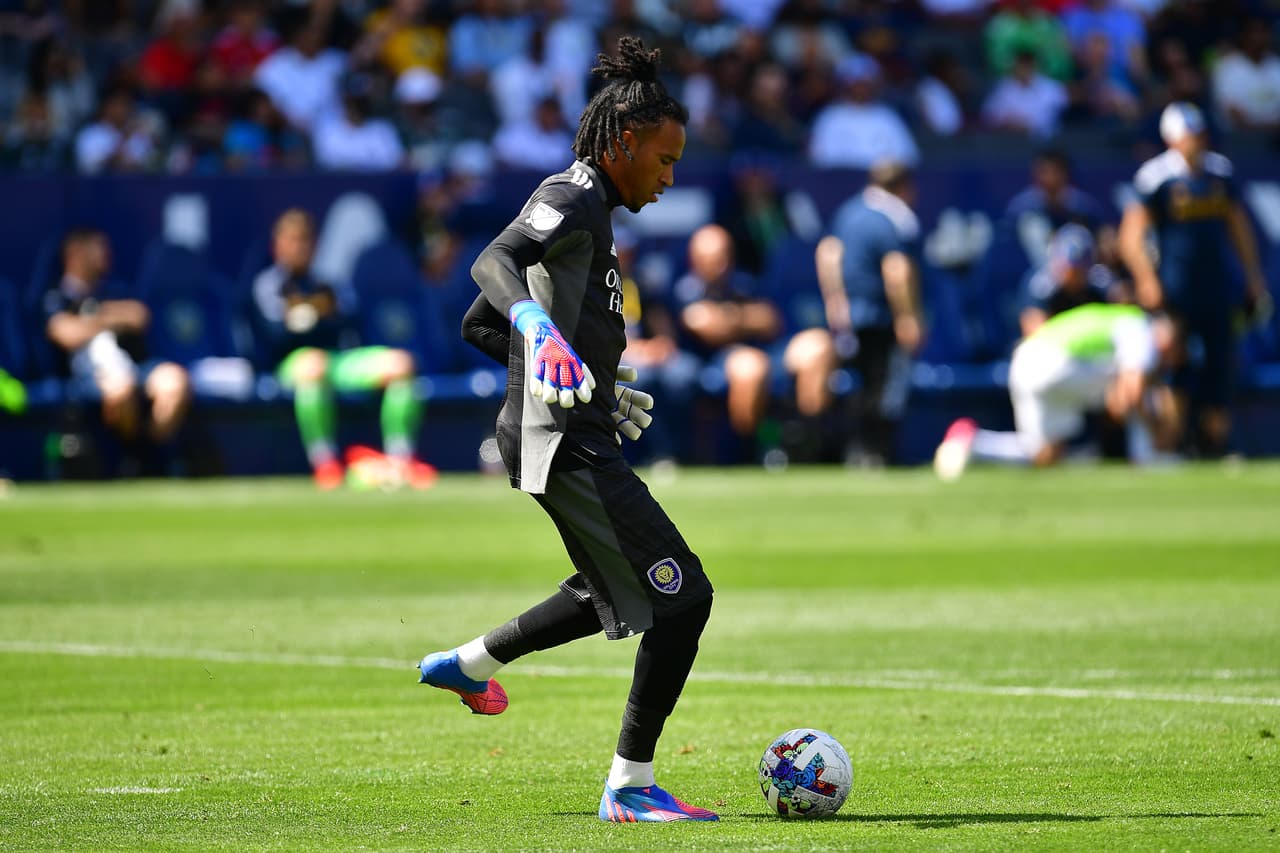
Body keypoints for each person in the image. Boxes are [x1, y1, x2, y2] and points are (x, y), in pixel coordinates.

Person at [419, 36, 718, 824]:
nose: (669, 175)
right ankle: (629, 784)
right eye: (663, 159)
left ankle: (467, 663)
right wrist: (542, 336)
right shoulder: (573, 191)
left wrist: (591, 377)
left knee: (610, 586)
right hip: (562, 441)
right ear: (623, 143)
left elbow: (477, 327)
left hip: (573, 426)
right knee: (682, 596)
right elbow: (494, 267)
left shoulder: (598, 214)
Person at [1118, 102, 1271, 457]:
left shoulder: (1219, 172)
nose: (1195, 142)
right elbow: (1131, 235)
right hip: (1175, 287)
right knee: (1175, 365)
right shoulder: (1156, 177)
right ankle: (1174, 444)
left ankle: (1215, 444)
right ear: (1172, 139)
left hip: (1215, 285)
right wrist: (1147, 280)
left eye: (1198, 134)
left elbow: (1238, 227)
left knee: (1220, 363)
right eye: (1188, 136)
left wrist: (1252, 274)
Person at [249, 209, 435, 490]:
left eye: (305, 241)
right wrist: (317, 315)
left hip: (337, 361)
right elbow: (275, 335)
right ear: (278, 246)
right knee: (313, 363)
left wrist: (309, 317)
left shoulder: (328, 283)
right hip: (292, 365)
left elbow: (348, 323)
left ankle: (400, 459)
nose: (300, 248)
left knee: (401, 363)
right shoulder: (267, 285)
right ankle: (325, 462)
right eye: (292, 241)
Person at [933, 304, 1180, 479]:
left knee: (1043, 453)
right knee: (1137, 388)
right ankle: (1150, 456)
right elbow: (1132, 391)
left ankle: (971, 443)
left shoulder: (1115, 317)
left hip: (1025, 362)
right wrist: (1156, 429)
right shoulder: (1139, 328)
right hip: (1055, 365)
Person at [42, 228, 191, 471]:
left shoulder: (114, 289)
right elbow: (65, 333)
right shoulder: (55, 295)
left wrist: (92, 317)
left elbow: (139, 315)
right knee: (122, 388)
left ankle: (151, 455)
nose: (105, 254)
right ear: (75, 253)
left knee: (176, 381)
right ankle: (133, 457)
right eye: (97, 248)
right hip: (90, 376)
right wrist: (109, 318)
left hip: (137, 366)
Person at [816, 160, 925, 466]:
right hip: (880, 316)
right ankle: (875, 452)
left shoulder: (848, 212)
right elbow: (897, 271)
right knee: (883, 388)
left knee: (861, 386)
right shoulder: (894, 218)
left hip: (852, 317)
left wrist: (835, 302)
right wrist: (908, 316)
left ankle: (859, 451)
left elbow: (827, 255)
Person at [674, 223, 783, 446]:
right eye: (714, 259)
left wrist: (729, 317)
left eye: (726, 256)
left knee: (813, 345)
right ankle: (746, 449)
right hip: (703, 365)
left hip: (759, 353)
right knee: (749, 365)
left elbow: (770, 320)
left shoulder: (743, 282)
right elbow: (708, 328)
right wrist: (745, 318)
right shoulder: (685, 289)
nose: (722, 265)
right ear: (696, 260)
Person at [1019, 223, 1112, 338]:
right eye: (1068, 268)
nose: (1073, 275)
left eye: (1080, 270)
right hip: (1056, 348)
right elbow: (1034, 332)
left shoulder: (1101, 283)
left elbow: (1120, 323)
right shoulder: (1041, 287)